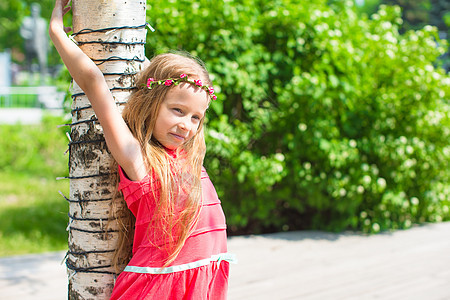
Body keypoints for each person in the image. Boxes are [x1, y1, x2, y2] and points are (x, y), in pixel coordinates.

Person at [49, 0, 235, 299]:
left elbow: (156, 77)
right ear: (152, 102)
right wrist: (57, 32)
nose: (186, 125)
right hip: (159, 285)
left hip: (203, 281)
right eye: (177, 110)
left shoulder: (189, 157)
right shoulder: (138, 158)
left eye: (195, 117)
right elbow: (95, 83)